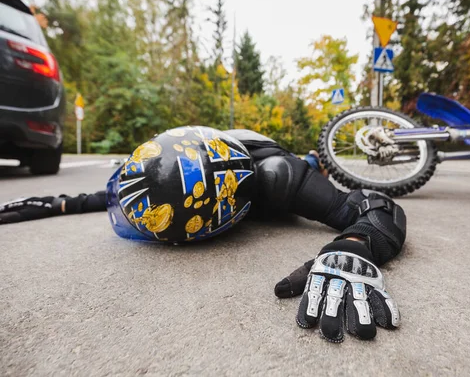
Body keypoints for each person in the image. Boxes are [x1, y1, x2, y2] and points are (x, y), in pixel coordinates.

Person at [0, 126, 406, 343]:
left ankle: (314, 157)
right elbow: (140, 187)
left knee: (306, 164)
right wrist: (61, 203)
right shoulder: (175, 150)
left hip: (276, 160)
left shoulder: (278, 181)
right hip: (227, 143)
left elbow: (375, 206)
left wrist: (354, 245)